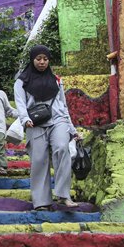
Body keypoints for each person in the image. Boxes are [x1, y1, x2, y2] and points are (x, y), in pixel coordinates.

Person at [14, 45, 80, 210]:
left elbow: (63, 106)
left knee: (62, 148)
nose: (42, 62)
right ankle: (41, 201)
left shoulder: (56, 80)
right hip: (34, 122)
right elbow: (20, 103)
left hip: (58, 120)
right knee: (38, 160)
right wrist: (25, 119)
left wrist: (72, 130)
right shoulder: (22, 81)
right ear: (32, 59)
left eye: (45, 59)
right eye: (38, 59)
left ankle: (64, 195)